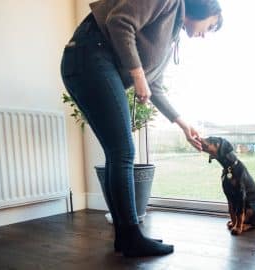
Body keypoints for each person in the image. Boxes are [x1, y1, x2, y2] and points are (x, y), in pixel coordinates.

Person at [60, 0, 223, 258]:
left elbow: (153, 83)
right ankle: (131, 237)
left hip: (90, 60)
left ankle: (126, 237)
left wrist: (182, 123)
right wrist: (137, 76)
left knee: (118, 152)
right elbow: (119, 21)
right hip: (89, 54)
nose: (205, 34)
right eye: (210, 25)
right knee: (123, 151)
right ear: (203, 9)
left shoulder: (171, 34)